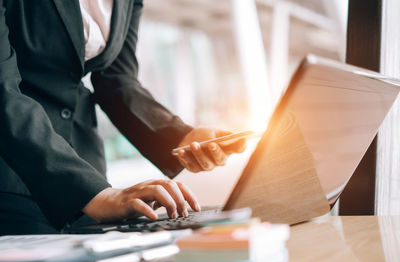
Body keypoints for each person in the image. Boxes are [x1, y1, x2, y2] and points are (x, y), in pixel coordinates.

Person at [0, 0, 246, 235]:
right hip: (13, 172)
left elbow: (116, 80)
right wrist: (94, 193)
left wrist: (182, 135)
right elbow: (3, 91)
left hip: (85, 164)